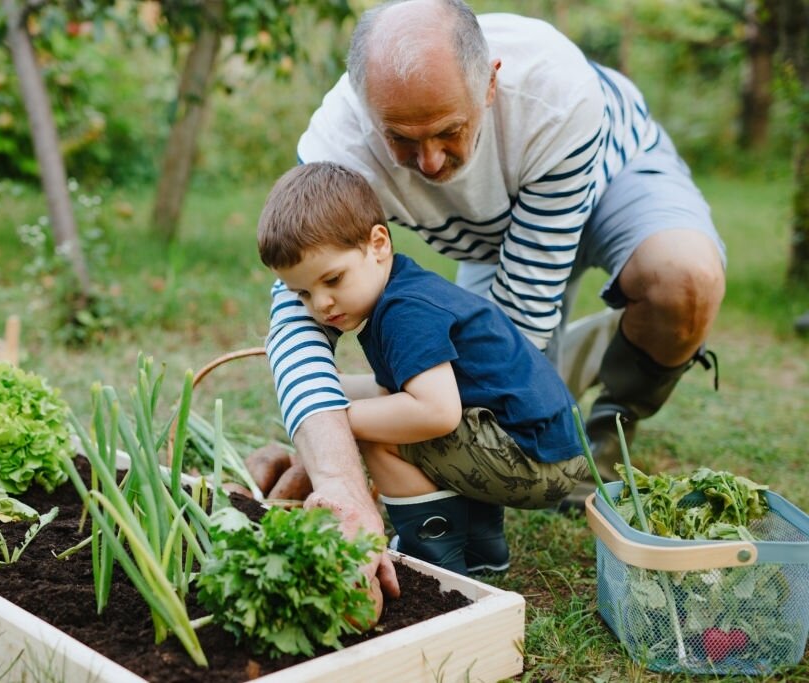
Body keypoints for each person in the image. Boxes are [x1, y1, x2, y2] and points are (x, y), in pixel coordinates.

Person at [264, 0, 726, 598]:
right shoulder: (338, 142)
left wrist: (351, 426)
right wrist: (330, 461)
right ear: (365, 110)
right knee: (465, 379)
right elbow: (295, 318)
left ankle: (611, 428)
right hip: (486, 234)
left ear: (489, 84)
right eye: (402, 140)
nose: (429, 162)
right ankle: (578, 377)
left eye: (447, 131)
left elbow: (518, 331)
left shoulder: (556, 93)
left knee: (682, 280)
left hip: (610, 172)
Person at [258, 161, 587, 577]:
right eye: (303, 293)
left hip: (536, 459)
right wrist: (328, 390)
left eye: (333, 280)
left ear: (378, 244)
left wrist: (339, 419)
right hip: (543, 447)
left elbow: (436, 412)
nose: (320, 304)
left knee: (380, 437)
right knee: (390, 418)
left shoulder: (404, 311)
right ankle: (482, 548)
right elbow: (388, 393)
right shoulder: (401, 292)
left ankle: (434, 556)